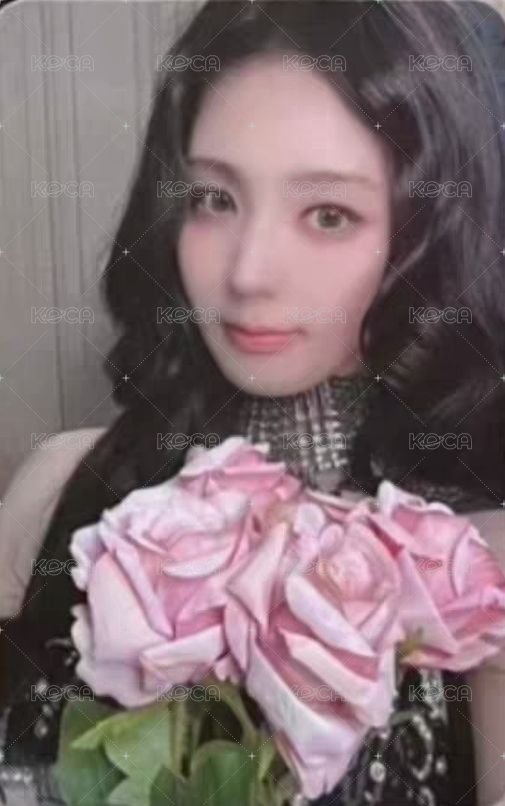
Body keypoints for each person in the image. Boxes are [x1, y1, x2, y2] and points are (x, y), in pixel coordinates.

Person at [1, 1, 505, 803]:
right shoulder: (60, 488)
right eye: (213, 199)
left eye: (328, 214)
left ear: (439, 234)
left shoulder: (476, 569)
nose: (247, 273)